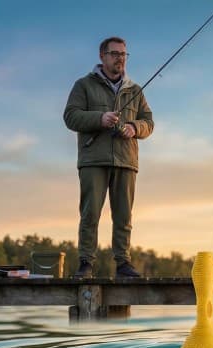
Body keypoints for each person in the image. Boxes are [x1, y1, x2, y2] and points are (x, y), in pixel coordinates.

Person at [63, 36, 154, 278]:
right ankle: (86, 263)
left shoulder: (135, 90)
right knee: (90, 214)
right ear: (102, 56)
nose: (120, 58)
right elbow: (70, 117)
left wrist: (135, 128)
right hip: (93, 159)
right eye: (114, 54)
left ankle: (123, 263)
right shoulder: (83, 85)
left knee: (123, 216)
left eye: (124, 54)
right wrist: (99, 119)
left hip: (126, 160)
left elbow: (149, 122)